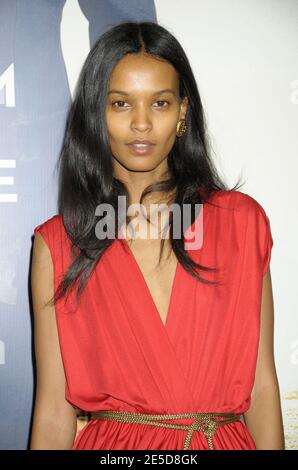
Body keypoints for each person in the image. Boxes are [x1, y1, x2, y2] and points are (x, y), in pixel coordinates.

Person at [29, 21, 285, 450]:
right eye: (121, 103)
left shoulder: (242, 225)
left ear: (182, 112)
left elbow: (261, 388)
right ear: (97, 112)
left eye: (160, 103)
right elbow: (54, 411)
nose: (142, 123)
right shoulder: (58, 244)